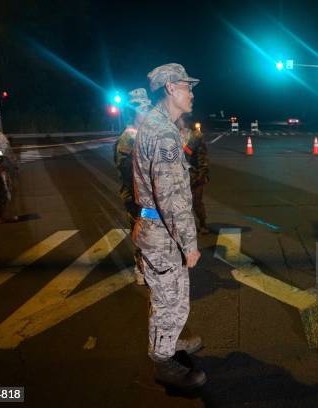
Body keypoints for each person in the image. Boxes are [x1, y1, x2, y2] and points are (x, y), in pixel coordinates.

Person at [132, 63, 205, 390]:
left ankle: (168, 343)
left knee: (166, 298)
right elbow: (171, 196)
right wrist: (189, 244)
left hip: (154, 228)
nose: (192, 93)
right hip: (163, 233)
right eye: (187, 87)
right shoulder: (163, 133)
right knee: (171, 301)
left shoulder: (155, 124)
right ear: (171, 88)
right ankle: (165, 363)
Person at [114, 88, 151, 285]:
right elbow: (128, 172)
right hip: (135, 196)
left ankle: (150, 266)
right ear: (133, 112)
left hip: (148, 195)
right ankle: (140, 269)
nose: (145, 112)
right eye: (141, 109)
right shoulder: (128, 138)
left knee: (150, 232)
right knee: (140, 231)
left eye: (147, 108)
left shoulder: (143, 135)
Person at [176, 115, 210, 235]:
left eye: (178, 119)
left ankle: (202, 223)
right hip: (178, 177)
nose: (176, 121)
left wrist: (202, 174)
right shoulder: (173, 135)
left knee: (196, 202)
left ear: (184, 121)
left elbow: (202, 157)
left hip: (195, 176)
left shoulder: (195, 137)